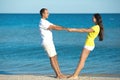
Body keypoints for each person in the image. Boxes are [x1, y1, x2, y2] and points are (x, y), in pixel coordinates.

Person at [67, 13, 104, 79]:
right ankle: (75, 74)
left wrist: (73, 30)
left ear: (96, 19)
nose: (92, 19)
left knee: (81, 61)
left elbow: (84, 30)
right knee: (82, 60)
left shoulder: (96, 27)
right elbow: (87, 29)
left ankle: (75, 75)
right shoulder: (96, 27)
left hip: (88, 44)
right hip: (90, 44)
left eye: (93, 18)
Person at [39, 8, 67, 79]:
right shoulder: (42, 22)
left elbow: (55, 25)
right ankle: (58, 75)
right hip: (47, 42)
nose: (48, 14)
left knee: (55, 57)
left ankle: (60, 73)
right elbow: (53, 27)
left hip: (50, 42)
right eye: (47, 13)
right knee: (52, 58)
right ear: (43, 14)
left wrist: (65, 28)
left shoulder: (46, 21)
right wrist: (65, 29)